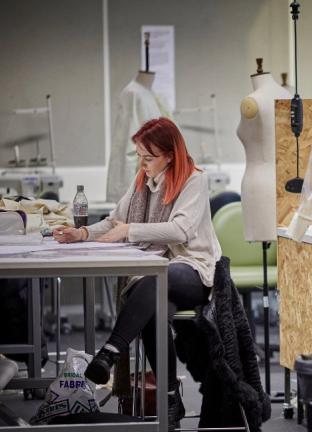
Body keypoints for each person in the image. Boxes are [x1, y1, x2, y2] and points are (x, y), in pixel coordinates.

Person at [52, 117, 221, 430]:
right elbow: (116, 221)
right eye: (140, 157)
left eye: (148, 157)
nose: (142, 164)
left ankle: (110, 352)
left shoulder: (194, 179)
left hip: (193, 267)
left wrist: (130, 231)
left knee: (153, 278)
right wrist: (83, 233)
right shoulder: (143, 179)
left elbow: (180, 231)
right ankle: (170, 399)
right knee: (153, 310)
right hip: (157, 273)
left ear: (170, 155)